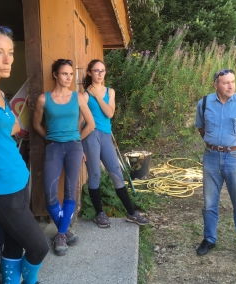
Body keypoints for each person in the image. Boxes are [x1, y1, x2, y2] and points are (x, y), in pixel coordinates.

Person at [0, 24, 48, 284]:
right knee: (39, 247)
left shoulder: (0, 93)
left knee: (14, 246)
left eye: (11, 53)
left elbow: (12, 126)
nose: (8, 60)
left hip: (19, 177)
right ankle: (31, 281)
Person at [194, 68, 236, 263]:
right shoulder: (205, 103)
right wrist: (212, 143)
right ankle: (209, 239)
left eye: (232, 81)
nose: (230, 85)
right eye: (225, 82)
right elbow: (200, 126)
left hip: (235, 159)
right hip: (211, 157)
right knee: (209, 203)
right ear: (216, 85)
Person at [33, 59, 95, 256]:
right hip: (53, 147)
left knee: (70, 190)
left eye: (70, 74)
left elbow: (91, 124)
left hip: (74, 148)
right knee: (49, 191)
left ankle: (59, 234)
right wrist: (50, 138)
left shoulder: (78, 98)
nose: (68, 78)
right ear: (55, 75)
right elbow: (36, 124)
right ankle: (65, 230)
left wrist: (76, 139)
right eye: (64, 74)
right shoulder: (44, 99)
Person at [81, 59, 149, 228]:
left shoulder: (109, 92)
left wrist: (97, 96)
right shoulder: (84, 95)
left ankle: (132, 213)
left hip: (105, 135)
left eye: (102, 70)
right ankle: (99, 213)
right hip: (90, 136)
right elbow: (80, 119)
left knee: (116, 173)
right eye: (96, 70)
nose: (99, 74)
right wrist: (77, 142)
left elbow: (110, 113)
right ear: (89, 73)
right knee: (95, 174)